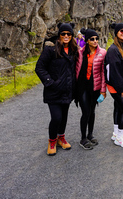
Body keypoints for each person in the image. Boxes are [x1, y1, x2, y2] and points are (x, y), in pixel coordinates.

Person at [35, 23, 79, 156]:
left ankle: (61, 138)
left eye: (69, 34)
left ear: (72, 36)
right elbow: (39, 68)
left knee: (64, 116)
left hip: (67, 90)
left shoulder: (73, 50)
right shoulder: (51, 50)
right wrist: (50, 83)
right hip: (53, 90)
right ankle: (52, 141)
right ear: (59, 35)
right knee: (56, 117)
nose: (66, 36)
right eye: (63, 34)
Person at [75, 28, 107, 150]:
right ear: (87, 40)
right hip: (82, 87)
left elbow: (103, 72)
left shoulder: (102, 53)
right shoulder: (80, 53)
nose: (95, 41)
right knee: (86, 112)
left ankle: (90, 134)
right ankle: (83, 138)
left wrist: (103, 90)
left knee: (92, 112)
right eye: (92, 39)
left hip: (95, 87)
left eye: (96, 39)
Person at [104, 23, 123, 148]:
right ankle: (119, 137)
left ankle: (116, 133)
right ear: (116, 32)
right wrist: (122, 89)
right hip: (117, 86)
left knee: (118, 107)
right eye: (121, 30)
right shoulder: (113, 50)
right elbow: (114, 72)